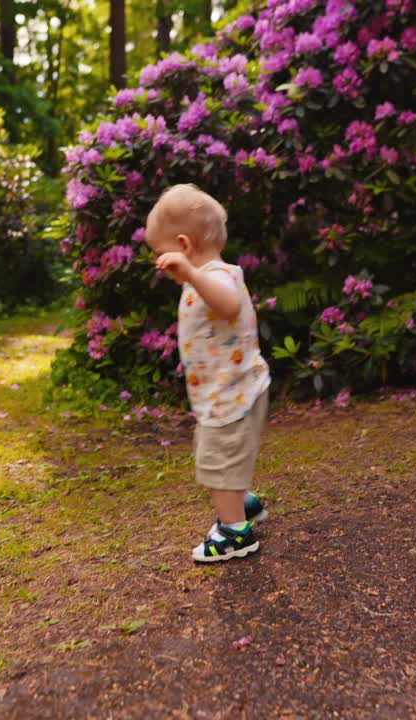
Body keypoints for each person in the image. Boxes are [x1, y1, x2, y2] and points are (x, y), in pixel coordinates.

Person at [145, 184, 272, 563]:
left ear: (183, 245)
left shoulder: (217, 276)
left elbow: (229, 304)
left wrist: (191, 275)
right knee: (225, 453)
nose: (160, 263)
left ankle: (235, 533)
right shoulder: (207, 276)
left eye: (160, 253)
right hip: (228, 392)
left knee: (217, 462)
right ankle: (242, 503)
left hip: (231, 394)